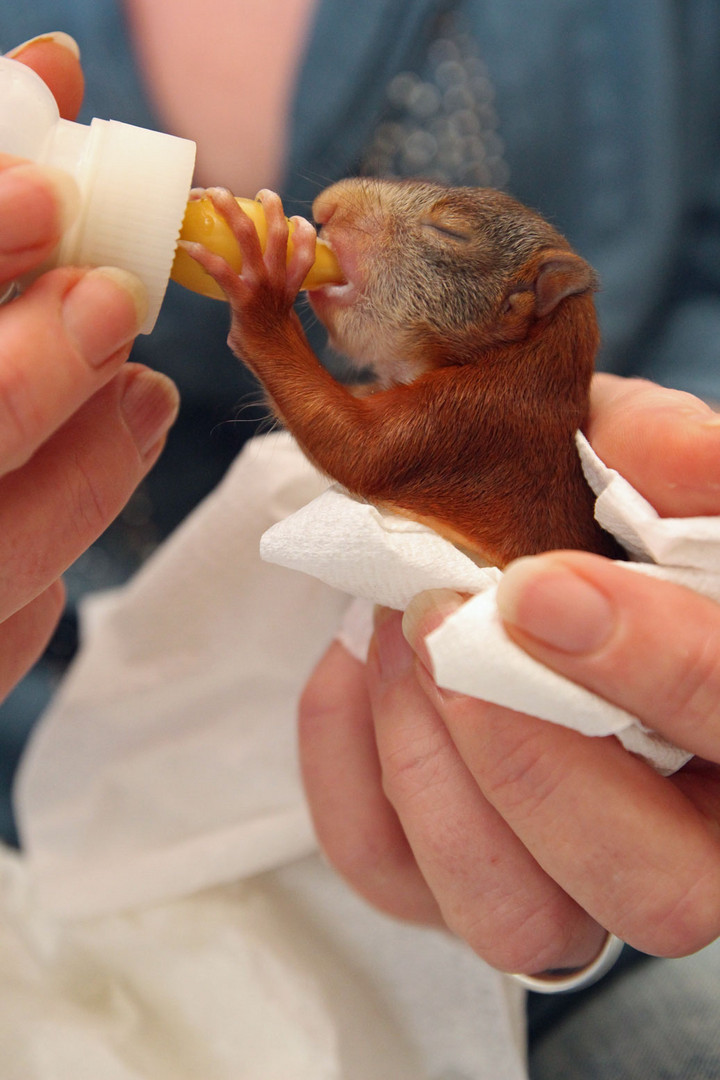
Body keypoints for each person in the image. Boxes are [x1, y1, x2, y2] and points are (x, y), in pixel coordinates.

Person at [1, 6, 719, 1077]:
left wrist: (267, 321)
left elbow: (361, 454)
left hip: (605, 885)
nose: (334, 214)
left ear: (525, 309)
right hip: (64, 765)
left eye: (447, 236)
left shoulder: (491, 411)